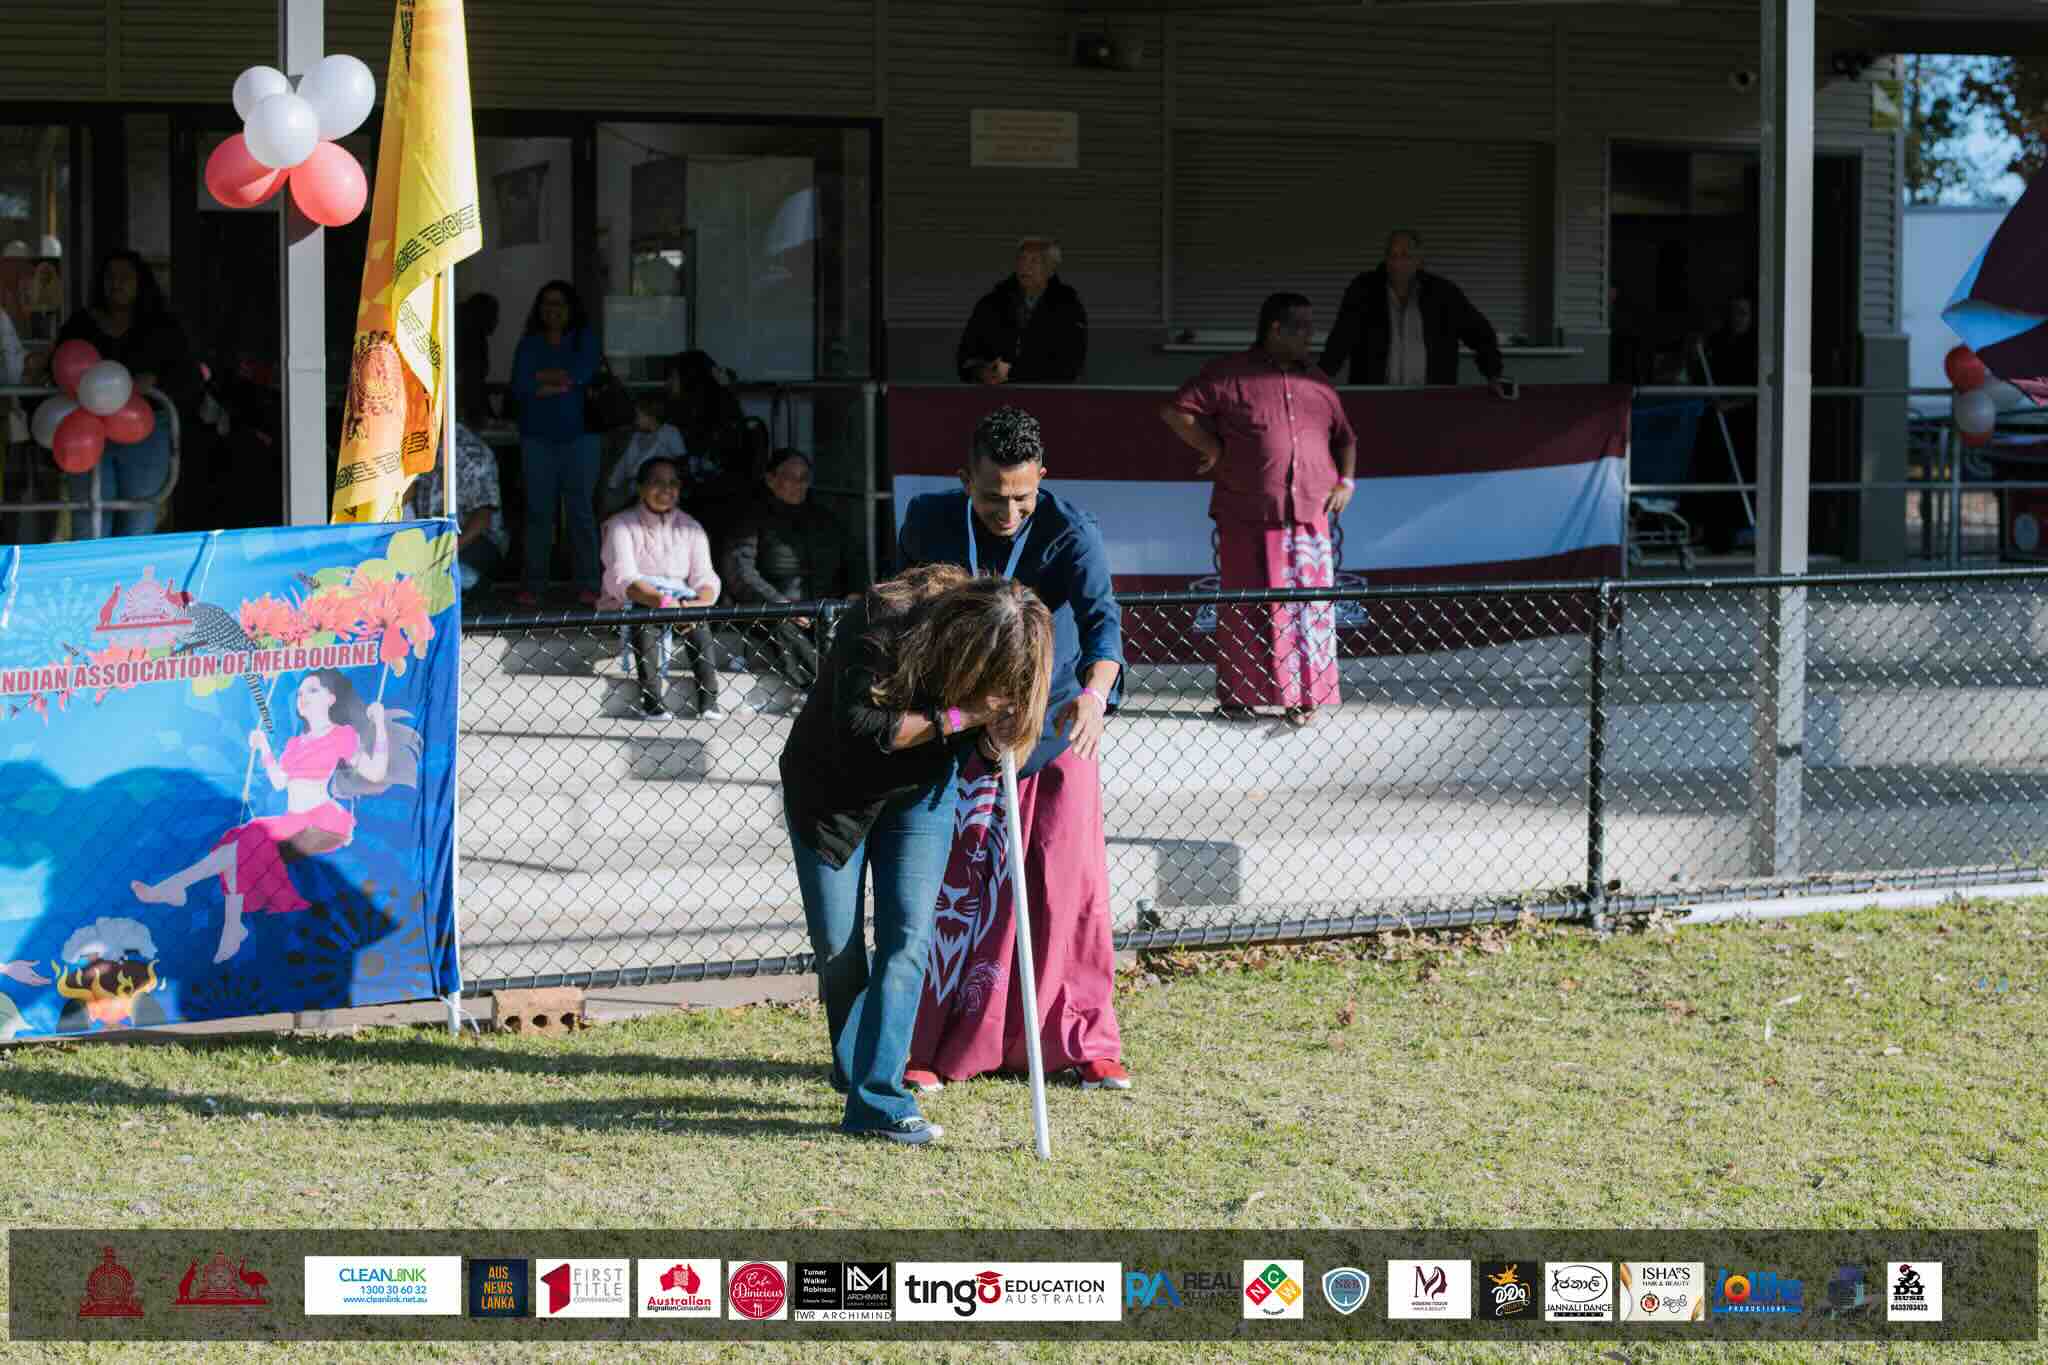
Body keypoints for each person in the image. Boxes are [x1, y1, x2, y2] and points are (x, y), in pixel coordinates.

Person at [896, 405, 1130, 1092]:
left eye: (1023, 497)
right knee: (958, 894)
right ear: (963, 478)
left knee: (1066, 890)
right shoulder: (928, 521)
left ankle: (1082, 1042)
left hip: (1057, 731)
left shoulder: (1070, 531)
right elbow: (902, 615)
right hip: (962, 731)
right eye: (994, 496)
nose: (1008, 511)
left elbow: (1102, 626)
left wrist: (1093, 694)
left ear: (1043, 480)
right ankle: (932, 1045)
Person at [781, 566, 1053, 1145]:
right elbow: (866, 726)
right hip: (832, 793)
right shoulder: (882, 621)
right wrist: (965, 716)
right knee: (837, 944)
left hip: (921, 795)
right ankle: (855, 1065)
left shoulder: (1007, 638)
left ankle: (879, 1097)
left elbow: (996, 736)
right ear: (961, 643)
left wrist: (997, 732)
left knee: (907, 940)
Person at [130, 669, 422, 963]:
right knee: (237, 843)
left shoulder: (341, 735)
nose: (303, 698)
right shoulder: (296, 743)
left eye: (312, 691)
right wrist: (264, 748)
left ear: (331, 698)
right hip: (291, 820)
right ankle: (227, 925)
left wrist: (380, 725)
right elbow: (280, 781)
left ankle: (179, 892)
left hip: (321, 819)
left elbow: (374, 772)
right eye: (300, 694)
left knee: (249, 838)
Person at [1161, 292, 1354, 726]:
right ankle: (1239, 697)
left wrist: (1346, 481)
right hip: (1247, 510)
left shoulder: (1318, 381)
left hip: (1308, 517)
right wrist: (1213, 448)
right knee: (1244, 606)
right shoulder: (1231, 375)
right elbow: (1177, 411)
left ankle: (1304, 696)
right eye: (1302, 328)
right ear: (1275, 330)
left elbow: (1346, 437)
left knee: (1308, 608)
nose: (1311, 336)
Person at [52, 250, 202, 537]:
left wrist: (154, 382)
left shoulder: (162, 327)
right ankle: (94, 582)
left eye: (125, 277)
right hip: (86, 432)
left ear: (140, 283)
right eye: (110, 277)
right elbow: (58, 367)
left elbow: (188, 378)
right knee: (89, 519)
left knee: (139, 521)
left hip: (146, 434)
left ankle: (129, 584)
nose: (116, 284)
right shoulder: (80, 324)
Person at [598, 455, 724, 720]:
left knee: (698, 618)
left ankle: (709, 701)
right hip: (634, 605)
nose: (666, 490)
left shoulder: (692, 527)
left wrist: (693, 606)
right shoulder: (621, 524)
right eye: (657, 482)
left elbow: (706, 578)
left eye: (672, 483)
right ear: (641, 488)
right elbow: (624, 579)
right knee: (646, 611)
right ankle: (652, 701)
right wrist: (666, 604)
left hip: (681, 606)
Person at [723, 449, 855, 691]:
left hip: (823, 609)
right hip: (773, 608)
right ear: (771, 479)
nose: (798, 484)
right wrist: (781, 604)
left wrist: (854, 592)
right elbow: (741, 573)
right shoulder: (750, 518)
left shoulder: (824, 519)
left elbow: (852, 561)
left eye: (804, 477)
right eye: (790, 477)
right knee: (782, 625)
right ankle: (825, 691)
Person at [1319, 229, 1510, 394]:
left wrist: (1494, 375)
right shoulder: (1364, 290)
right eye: (1392, 256)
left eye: (1405, 256)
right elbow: (1340, 339)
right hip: (1376, 397)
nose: (1397, 263)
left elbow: (1480, 334)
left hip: (1431, 399)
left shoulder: (1443, 294)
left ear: (1420, 260)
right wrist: (1318, 381)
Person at [511, 279, 602, 607]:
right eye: (547, 303)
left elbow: (582, 374)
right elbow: (521, 385)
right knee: (538, 514)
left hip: (581, 440)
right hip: (536, 439)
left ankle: (590, 584)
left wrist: (545, 379)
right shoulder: (529, 344)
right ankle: (533, 586)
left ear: (571, 308)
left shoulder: (584, 339)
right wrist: (562, 381)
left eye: (560, 304)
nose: (553, 310)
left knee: (580, 512)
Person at [954, 238, 1087, 386]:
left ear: (1051, 268)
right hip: (992, 397)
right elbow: (967, 356)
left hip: (1046, 398)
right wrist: (980, 372)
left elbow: (1070, 365)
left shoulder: (1068, 306)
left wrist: (1011, 373)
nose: (1025, 266)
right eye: (1021, 259)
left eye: (1034, 261)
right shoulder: (990, 304)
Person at [407, 422, 509, 594]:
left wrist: (444, 552)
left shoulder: (472, 453)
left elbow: (483, 517)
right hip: (430, 538)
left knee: (448, 580)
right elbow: (407, 495)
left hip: (474, 540)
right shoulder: (417, 444)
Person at [1696, 294, 1759, 553]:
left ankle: (1743, 531)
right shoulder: (1719, 342)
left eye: (1744, 313)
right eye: (1734, 313)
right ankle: (1715, 536)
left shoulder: (1755, 347)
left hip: (1744, 421)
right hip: (1717, 421)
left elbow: (1759, 389)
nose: (1738, 319)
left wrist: (1732, 405)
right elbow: (1702, 366)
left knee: (1744, 473)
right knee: (1715, 473)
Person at [607, 391, 686, 507]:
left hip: (661, 493)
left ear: (650, 416)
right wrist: (612, 483)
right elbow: (624, 463)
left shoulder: (670, 433)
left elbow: (682, 462)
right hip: (636, 493)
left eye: (638, 415)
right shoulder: (637, 436)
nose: (635, 419)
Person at [455, 291, 500, 429]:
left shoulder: (468, 336)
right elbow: (472, 385)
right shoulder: (474, 341)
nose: (497, 321)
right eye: (494, 315)